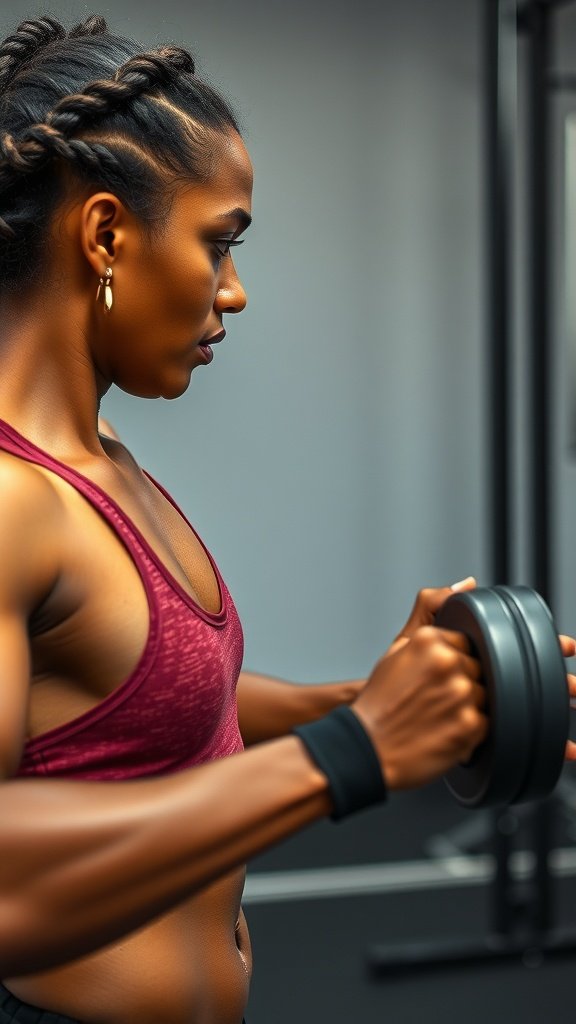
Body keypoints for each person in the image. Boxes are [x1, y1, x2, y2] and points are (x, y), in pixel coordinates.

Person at [0, 13, 573, 1024]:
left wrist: (371, 699)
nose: (236, 291)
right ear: (104, 234)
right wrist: (351, 750)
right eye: (219, 244)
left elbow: (161, 702)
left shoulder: (104, 467)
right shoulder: (11, 504)